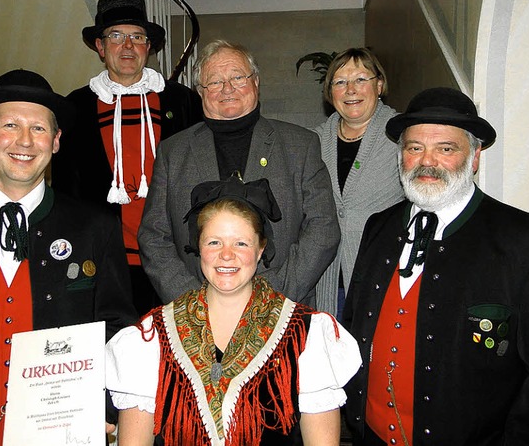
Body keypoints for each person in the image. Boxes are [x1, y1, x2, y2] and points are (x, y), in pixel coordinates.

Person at [343, 87, 529, 445]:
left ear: (475, 157)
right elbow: (354, 324)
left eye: (445, 149)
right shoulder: (379, 226)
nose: (427, 161)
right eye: (414, 148)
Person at [0, 69, 137, 445]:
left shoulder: (96, 229)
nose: (25, 141)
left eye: (39, 129)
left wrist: (101, 410)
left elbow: (118, 332)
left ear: (56, 141)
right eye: (9, 125)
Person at [107, 176, 361, 445]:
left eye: (241, 243)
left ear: (261, 249)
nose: (226, 255)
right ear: (199, 247)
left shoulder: (306, 335)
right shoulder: (151, 337)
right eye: (214, 242)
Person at [139, 39, 340, 306]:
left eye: (237, 77)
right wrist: (193, 301)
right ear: (201, 91)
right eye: (214, 82)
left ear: (256, 82)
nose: (227, 89)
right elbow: (154, 236)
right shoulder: (172, 152)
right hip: (195, 313)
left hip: (283, 306)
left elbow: (323, 228)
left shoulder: (300, 145)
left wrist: (270, 298)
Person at [51, 0, 203, 315]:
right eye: (116, 35)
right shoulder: (75, 108)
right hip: (104, 262)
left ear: (149, 47)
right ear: (100, 46)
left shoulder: (183, 102)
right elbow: (66, 191)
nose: (128, 45)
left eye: (137, 36)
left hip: (175, 260)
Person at [313, 48, 403, 318]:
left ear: (379, 84)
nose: (351, 89)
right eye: (340, 82)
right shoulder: (312, 142)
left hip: (384, 279)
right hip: (326, 283)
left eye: (361, 79)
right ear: (331, 93)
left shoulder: (403, 136)